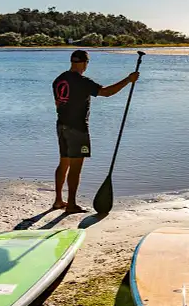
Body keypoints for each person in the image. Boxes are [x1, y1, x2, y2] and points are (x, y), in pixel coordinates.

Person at [51, 49, 139, 212]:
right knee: (76, 166)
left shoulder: (59, 79)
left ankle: (58, 201)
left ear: (72, 61)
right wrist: (128, 80)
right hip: (78, 129)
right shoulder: (82, 81)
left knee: (64, 162)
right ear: (85, 63)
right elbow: (106, 92)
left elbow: (58, 103)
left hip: (61, 125)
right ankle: (71, 204)